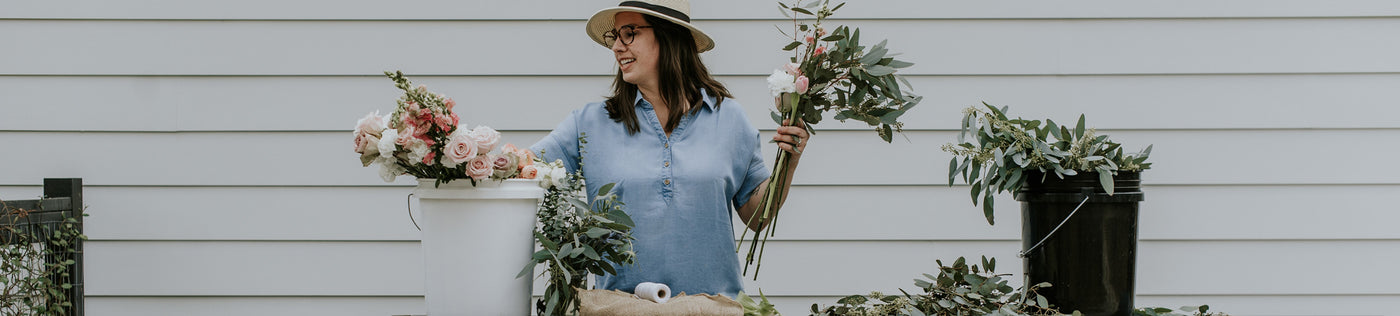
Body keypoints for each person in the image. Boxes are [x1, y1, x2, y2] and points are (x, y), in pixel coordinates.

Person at [530, 0, 810, 299]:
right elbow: (524, 167)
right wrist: (476, 154)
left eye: (630, 33)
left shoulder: (729, 118)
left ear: (668, 36)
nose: (616, 47)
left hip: (712, 308)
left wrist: (789, 160)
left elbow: (757, 218)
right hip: (623, 309)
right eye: (615, 36)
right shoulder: (590, 123)